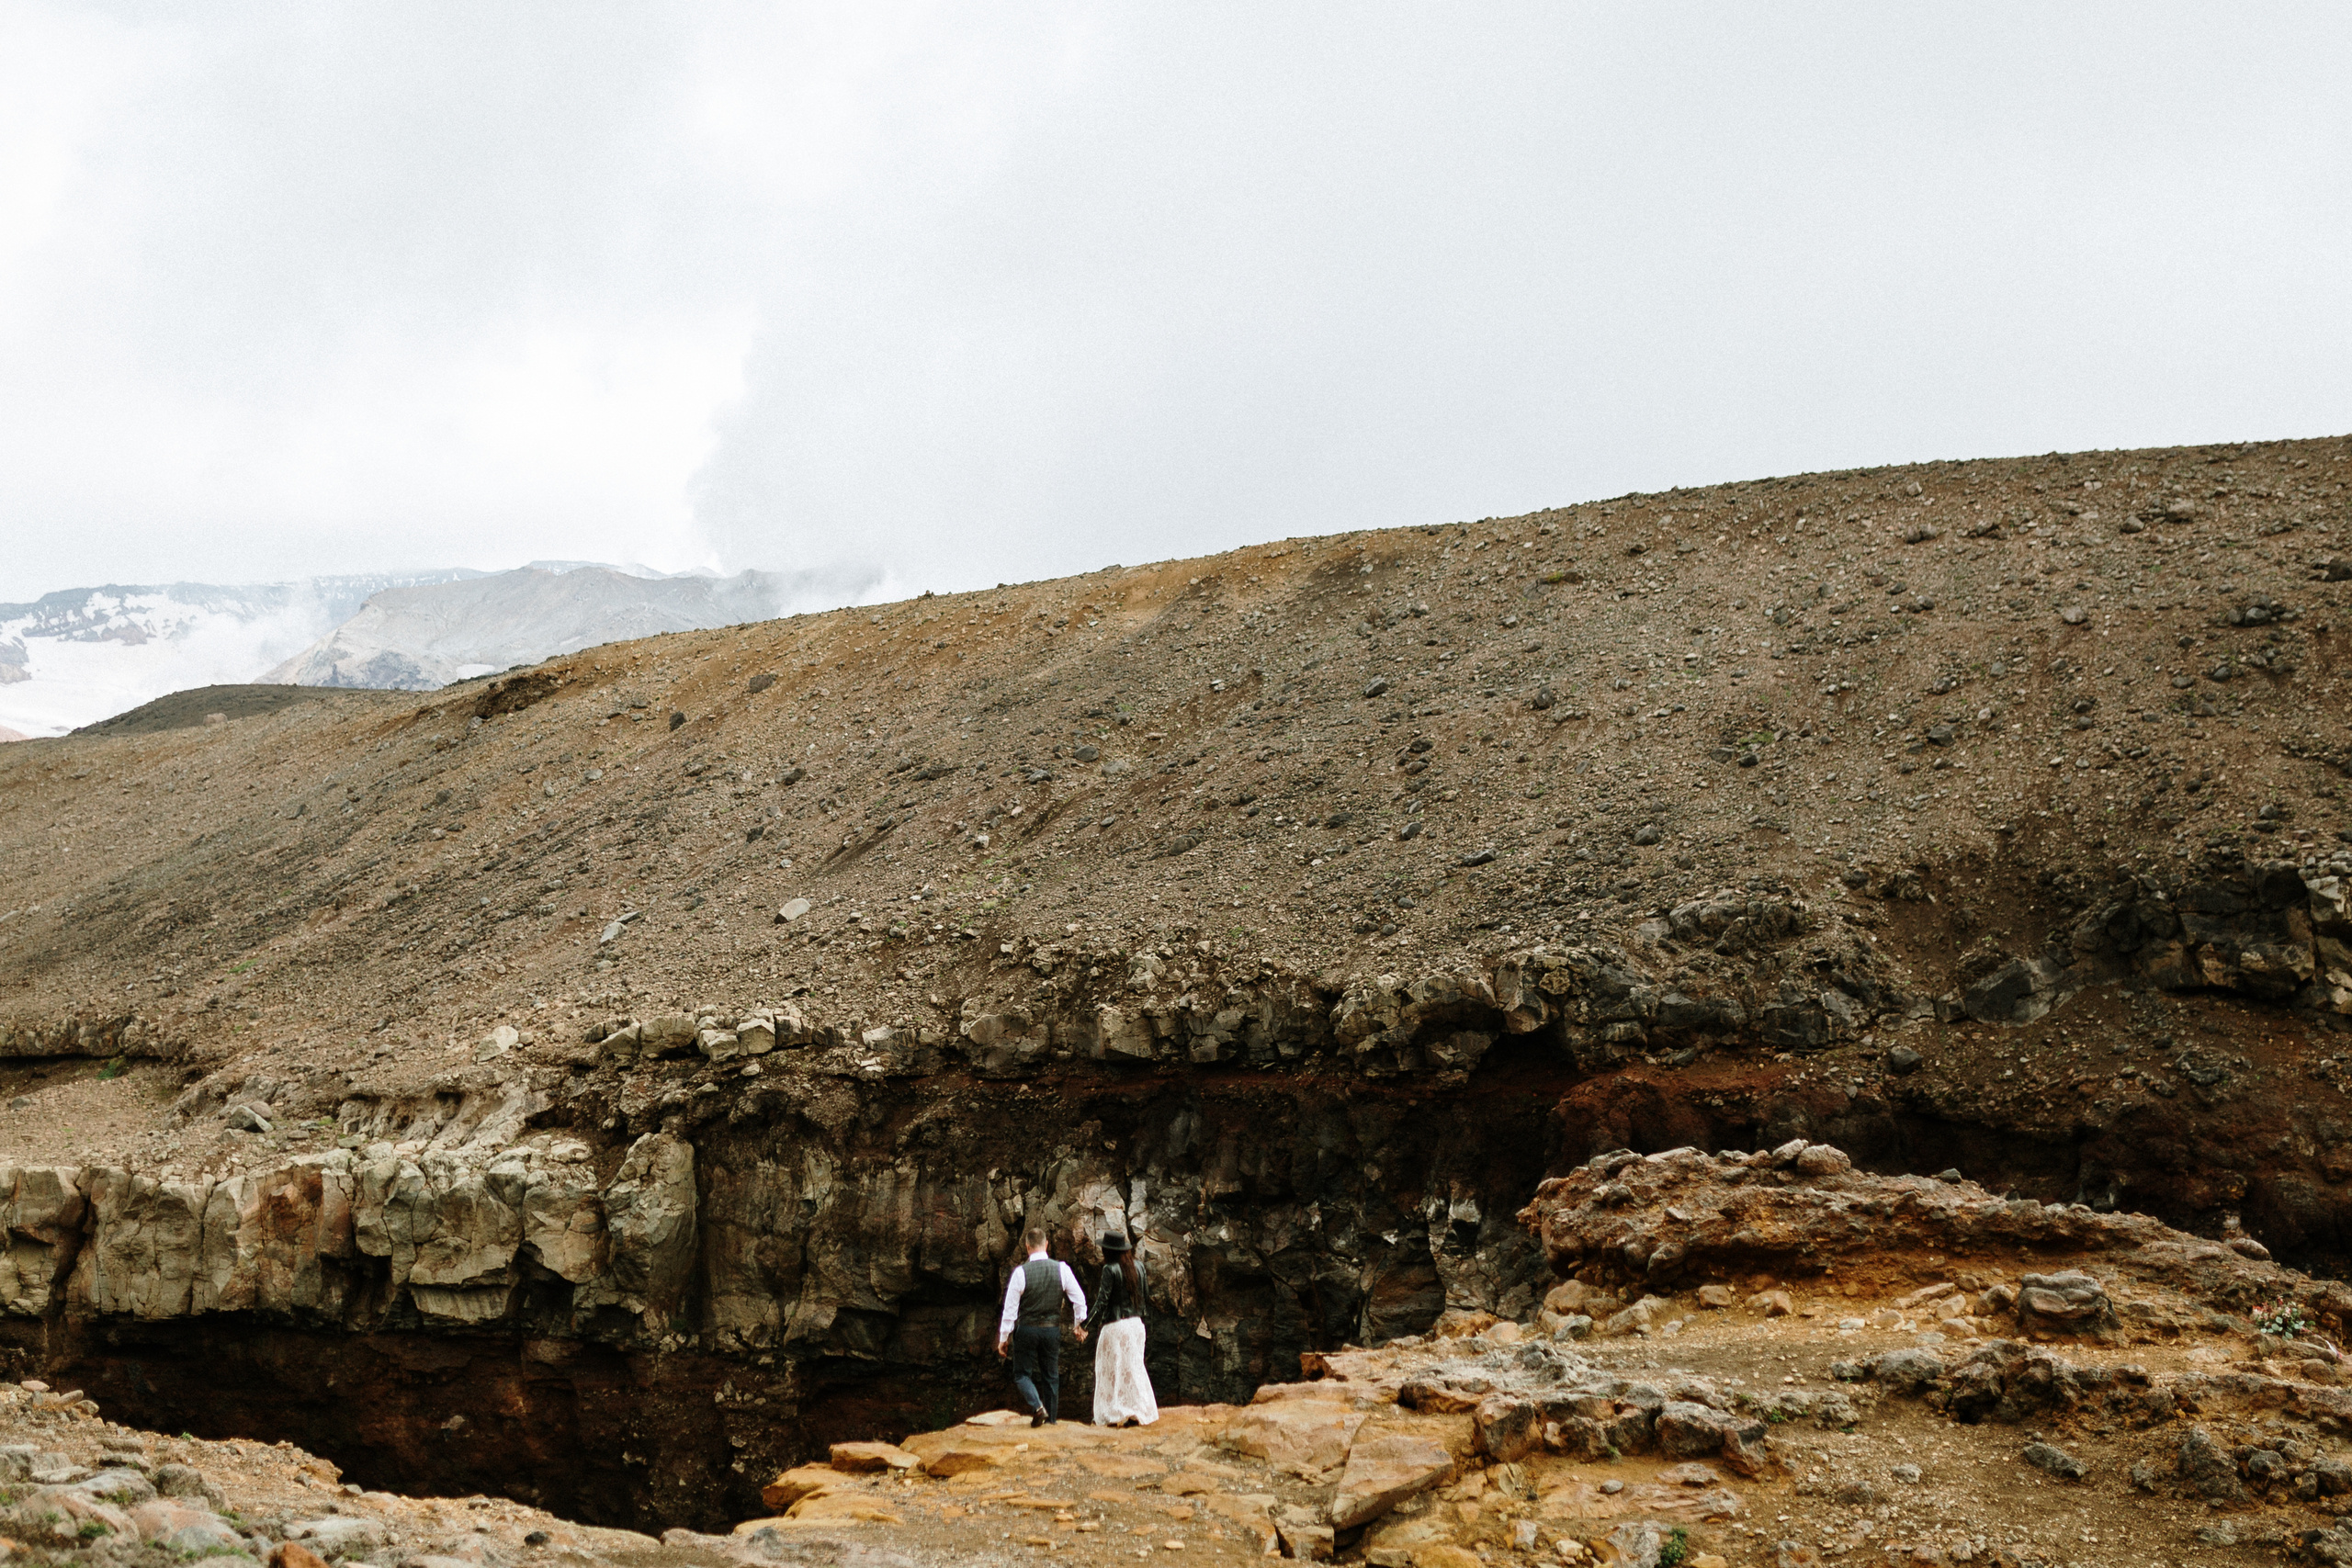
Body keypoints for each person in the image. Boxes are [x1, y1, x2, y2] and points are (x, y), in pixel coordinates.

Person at [996, 1225, 1088, 1426]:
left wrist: (1004, 1338)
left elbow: (1010, 1311)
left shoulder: (1020, 1273)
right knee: (1051, 1376)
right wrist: (1078, 1324)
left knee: (1021, 1374)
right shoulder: (1062, 1268)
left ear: (1027, 1247)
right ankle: (1052, 1421)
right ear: (1046, 1245)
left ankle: (1038, 1408)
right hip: (1051, 1330)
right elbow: (1079, 1299)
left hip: (1027, 1329)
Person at [1085, 1229, 1158, 1427]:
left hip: (1116, 1328)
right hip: (1136, 1326)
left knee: (1109, 1372)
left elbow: (1101, 1303)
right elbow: (1145, 1298)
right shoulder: (1139, 1267)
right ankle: (1137, 1412)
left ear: (1108, 1251)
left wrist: (1085, 1326)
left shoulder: (1110, 1269)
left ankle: (1110, 1415)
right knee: (1133, 1370)